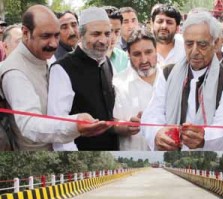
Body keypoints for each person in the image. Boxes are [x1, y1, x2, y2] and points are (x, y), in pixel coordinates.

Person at [0, 5, 110, 151]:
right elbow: (29, 123)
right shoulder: (14, 72)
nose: (53, 44)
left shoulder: (43, 56)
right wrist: (75, 124)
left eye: (56, 35)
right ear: (26, 33)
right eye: (45, 36)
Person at [141, 12, 223, 151]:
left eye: (202, 44)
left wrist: (205, 137)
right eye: (189, 44)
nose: (194, 51)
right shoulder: (169, 73)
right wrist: (157, 133)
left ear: (216, 43)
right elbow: (153, 113)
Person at [48, 7, 119, 151]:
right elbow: (58, 126)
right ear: (81, 35)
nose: (103, 40)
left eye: (107, 33)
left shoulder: (107, 63)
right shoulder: (62, 69)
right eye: (96, 34)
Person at [113, 29, 161, 150]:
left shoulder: (171, 79)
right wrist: (125, 127)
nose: (144, 60)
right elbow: (111, 122)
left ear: (156, 51)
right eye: (137, 54)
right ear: (128, 55)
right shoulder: (117, 83)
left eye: (148, 52)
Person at [104, 6, 128, 74]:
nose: (113, 37)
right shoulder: (88, 57)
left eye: (117, 31)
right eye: (109, 31)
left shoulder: (123, 57)